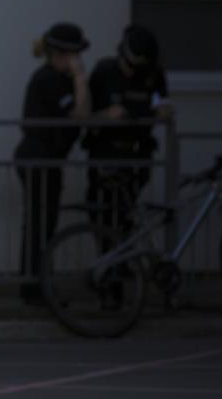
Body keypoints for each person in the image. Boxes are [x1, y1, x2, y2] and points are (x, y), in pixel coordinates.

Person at [14, 23, 90, 301]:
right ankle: (35, 288)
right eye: (74, 56)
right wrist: (80, 77)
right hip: (38, 160)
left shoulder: (58, 79)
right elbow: (80, 115)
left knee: (43, 224)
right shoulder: (48, 80)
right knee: (40, 224)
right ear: (61, 54)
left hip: (47, 161)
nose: (78, 62)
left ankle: (36, 285)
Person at [84, 24, 172, 234]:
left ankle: (122, 262)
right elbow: (85, 115)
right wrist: (106, 115)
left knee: (127, 212)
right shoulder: (105, 71)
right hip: (106, 152)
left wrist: (162, 111)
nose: (131, 72)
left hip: (137, 153)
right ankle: (107, 260)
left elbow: (163, 105)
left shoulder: (153, 75)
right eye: (128, 66)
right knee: (102, 212)